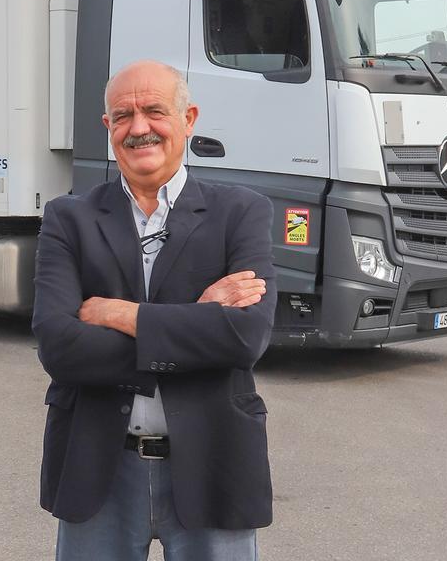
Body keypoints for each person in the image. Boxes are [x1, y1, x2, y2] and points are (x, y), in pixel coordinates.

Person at [32, 60, 276, 561]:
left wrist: (121, 315)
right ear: (107, 129)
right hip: (99, 469)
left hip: (214, 466)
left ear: (189, 118)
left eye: (154, 111)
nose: (139, 128)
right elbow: (60, 347)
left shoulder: (241, 213)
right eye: (123, 115)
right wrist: (197, 319)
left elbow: (245, 337)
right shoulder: (68, 219)